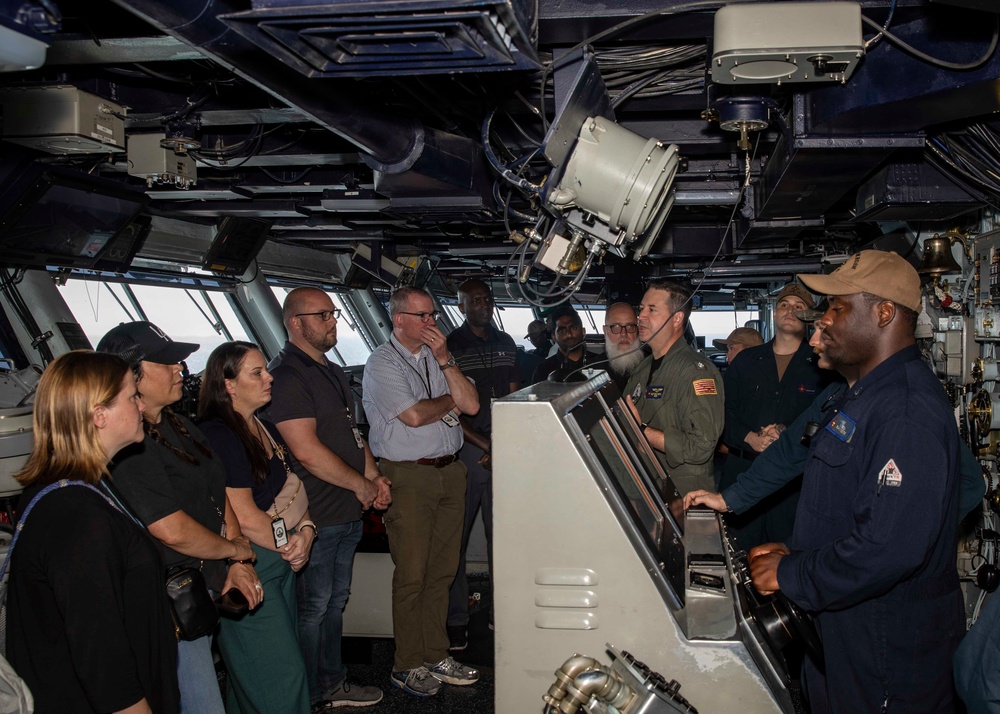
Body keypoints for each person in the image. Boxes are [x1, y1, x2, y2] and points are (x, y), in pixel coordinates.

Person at [699, 250, 965, 712]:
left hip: (887, 646)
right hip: (844, 629)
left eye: (838, 308)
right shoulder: (855, 393)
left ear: (883, 313)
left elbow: (888, 548)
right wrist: (796, 547)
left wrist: (792, 571)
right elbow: (841, 498)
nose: (822, 321)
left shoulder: (906, 411)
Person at [98, 322, 261, 714]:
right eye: (167, 362)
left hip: (204, 584)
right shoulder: (128, 448)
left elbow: (217, 491)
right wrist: (233, 549)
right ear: (130, 373)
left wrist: (236, 561)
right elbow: (170, 529)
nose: (180, 369)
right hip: (168, 600)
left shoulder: (179, 424)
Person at [6, 351, 179, 714]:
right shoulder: (79, 518)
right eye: (132, 396)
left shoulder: (63, 490)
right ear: (99, 415)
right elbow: (101, 656)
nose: (140, 404)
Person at [268, 287, 388, 710]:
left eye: (334, 313)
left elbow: (353, 434)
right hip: (314, 515)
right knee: (313, 608)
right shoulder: (286, 377)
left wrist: (373, 476)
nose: (333, 321)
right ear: (296, 323)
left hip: (345, 510)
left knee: (335, 602)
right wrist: (360, 485)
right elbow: (305, 450)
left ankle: (332, 683)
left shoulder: (332, 372)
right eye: (323, 316)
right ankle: (309, 694)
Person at [362, 286, 480, 698]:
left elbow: (472, 406)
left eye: (433, 315)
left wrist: (446, 362)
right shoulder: (381, 363)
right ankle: (406, 663)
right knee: (412, 574)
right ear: (399, 320)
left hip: (451, 471)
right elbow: (413, 416)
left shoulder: (436, 356)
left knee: (444, 572)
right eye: (424, 316)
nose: (433, 323)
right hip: (408, 476)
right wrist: (448, 400)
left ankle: (436, 653)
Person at [198, 342, 316, 714]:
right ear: (228, 384)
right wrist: (290, 544)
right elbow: (245, 515)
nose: (269, 378)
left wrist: (307, 532)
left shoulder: (262, 427)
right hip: (250, 564)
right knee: (282, 676)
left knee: (253, 678)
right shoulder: (219, 435)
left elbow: (293, 488)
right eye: (257, 372)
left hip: (278, 560)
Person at [717, 283, 834, 549]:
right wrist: (750, 438)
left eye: (798, 306)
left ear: (809, 316)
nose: (790, 310)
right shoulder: (746, 361)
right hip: (742, 472)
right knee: (737, 554)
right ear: (774, 312)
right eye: (784, 305)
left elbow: (827, 417)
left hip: (793, 485)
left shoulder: (823, 363)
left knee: (787, 555)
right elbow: (723, 412)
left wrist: (785, 432)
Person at [445, 279, 520, 651]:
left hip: (504, 447)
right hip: (468, 450)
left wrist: (506, 441)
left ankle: (501, 614)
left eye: (487, 298)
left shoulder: (506, 344)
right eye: (475, 300)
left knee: (504, 541)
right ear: (460, 306)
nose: (483, 304)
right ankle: (457, 620)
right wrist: (487, 444)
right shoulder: (449, 348)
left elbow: (514, 396)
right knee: (455, 541)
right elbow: (449, 408)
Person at [623, 280, 724, 494]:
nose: (641, 316)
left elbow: (701, 446)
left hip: (682, 496)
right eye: (641, 309)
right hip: (648, 489)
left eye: (652, 310)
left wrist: (641, 432)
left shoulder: (696, 372)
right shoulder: (643, 368)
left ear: (677, 318)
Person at [532, 306, 605, 383]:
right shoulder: (543, 370)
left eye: (573, 328)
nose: (569, 334)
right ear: (554, 337)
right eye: (562, 331)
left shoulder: (600, 363)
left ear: (583, 331)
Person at [602, 302, 644, 392]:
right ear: (605, 330)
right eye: (616, 327)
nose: (624, 334)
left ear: (637, 329)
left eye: (630, 326)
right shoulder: (594, 370)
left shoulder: (650, 364)